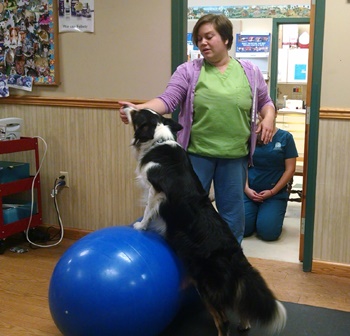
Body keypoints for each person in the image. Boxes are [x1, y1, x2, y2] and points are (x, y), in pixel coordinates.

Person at [119, 14, 276, 244]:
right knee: (187, 214)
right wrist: (139, 109)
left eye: (209, 37)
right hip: (196, 157)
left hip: (235, 157)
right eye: (198, 38)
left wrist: (269, 117)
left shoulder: (250, 72)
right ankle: (189, 266)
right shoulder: (188, 71)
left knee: (232, 218)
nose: (203, 42)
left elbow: (266, 102)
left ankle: (229, 267)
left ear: (225, 39)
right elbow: (168, 100)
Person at [244, 111, 298, 241]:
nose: (262, 116)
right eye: (259, 112)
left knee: (269, 233)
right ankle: (257, 217)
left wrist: (272, 192)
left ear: (275, 114)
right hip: (250, 192)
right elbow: (242, 165)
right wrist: (246, 189)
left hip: (275, 194)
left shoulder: (285, 138)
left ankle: (265, 217)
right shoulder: (251, 137)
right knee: (243, 228)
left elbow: (290, 170)